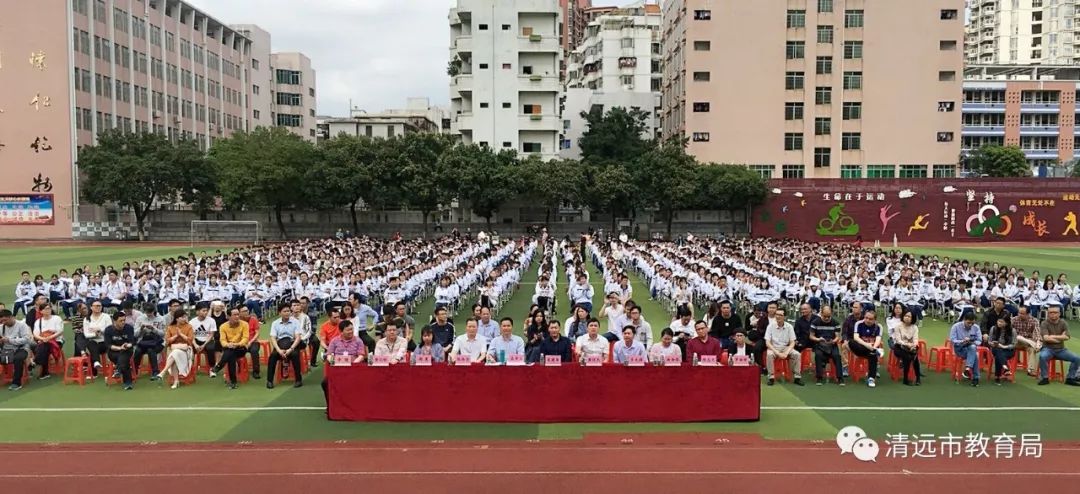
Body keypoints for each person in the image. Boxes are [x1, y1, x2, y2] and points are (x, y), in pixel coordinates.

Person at [322, 319, 366, 410]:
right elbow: (329, 354)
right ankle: (330, 405)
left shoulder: (358, 341)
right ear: (341, 331)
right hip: (338, 369)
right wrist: (332, 361)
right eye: (348, 330)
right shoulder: (334, 341)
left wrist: (353, 364)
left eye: (352, 329)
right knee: (325, 383)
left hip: (353, 369)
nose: (351, 332)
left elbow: (361, 355)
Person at [1036, 306, 1080, 386]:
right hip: (1048, 348)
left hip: (1061, 349)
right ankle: (1045, 378)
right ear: (1048, 314)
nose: (1053, 314)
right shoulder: (1044, 323)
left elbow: (1067, 337)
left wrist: (1052, 336)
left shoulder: (1063, 323)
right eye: (1050, 312)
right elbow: (1046, 338)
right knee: (1042, 356)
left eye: (1055, 312)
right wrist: (1060, 338)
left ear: (1059, 313)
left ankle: (1070, 378)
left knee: (1077, 358)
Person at [267, 304, 303, 389]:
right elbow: (273, 338)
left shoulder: (295, 322)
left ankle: (298, 380)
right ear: (280, 313)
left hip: (292, 344)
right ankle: (269, 381)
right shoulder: (275, 323)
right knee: (272, 356)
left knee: (294, 355)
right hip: (280, 345)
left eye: (288, 311)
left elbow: (298, 338)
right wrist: (279, 350)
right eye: (285, 311)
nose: (287, 313)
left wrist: (290, 349)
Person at [764, 308, 803, 386]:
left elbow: (792, 342)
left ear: (785, 317)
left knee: (797, 354)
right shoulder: (770, 326)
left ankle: (797, 377)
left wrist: (786, 352)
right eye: (776, 314)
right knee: (769, 355)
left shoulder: (789, 327)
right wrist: (777, 353)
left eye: (780, 315)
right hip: (774, 347)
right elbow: (767, 343)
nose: (778, 317)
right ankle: (771, 377)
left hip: (786, 347)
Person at [213, 308, 250, 389]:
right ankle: (233, 382)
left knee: (230, 353)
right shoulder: (223, 326)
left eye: (238, 314)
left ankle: (219, 365)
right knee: (231, 356)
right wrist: (228, 345)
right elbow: (222, 340)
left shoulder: (245, 324)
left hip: (241, 347)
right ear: (228, 316)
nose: (237, 316)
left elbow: (245, 338)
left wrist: (237, 344)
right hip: (229, 347)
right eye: (235, 315)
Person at [159, 310, 195, 389]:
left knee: (175, 353)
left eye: (185, 317)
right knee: (175, 354)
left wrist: (181, 334)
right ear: (177, 319)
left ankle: (164, 372)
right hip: (173, 350)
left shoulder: (189, 327)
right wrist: (176, 336)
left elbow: (190, 341)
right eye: (182, 317)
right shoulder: (170, 327)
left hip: (186, 350)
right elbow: (167, 341)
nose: (185, 319)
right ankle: (176, 381)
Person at [810, 306, 844, 386]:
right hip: (819, 344)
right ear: (821, 314)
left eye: (828, 316)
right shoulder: (815, 322)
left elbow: (837, 337)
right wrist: (818, 339)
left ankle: (840, 378)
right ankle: (819, 377)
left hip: (832, 345)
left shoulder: (836, 323)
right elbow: (811, 336)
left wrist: (833, 341)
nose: (827, 318)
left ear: (831, 314)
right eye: (825, 316)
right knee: (818, 355)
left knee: (837, 356)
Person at [850, 310, 883, 388]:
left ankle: (871, 378)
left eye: (870, 319)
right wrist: (867, 345)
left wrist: (873, 347)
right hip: (860, 349)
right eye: (866, 318)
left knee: (872, 355)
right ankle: (875, 351)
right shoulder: (859, 324)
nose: (868, 320)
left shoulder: (878, 326)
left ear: (875, 320)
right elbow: (856, 337)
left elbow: (878, 339)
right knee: (851, 342)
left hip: (872, 349)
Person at [0, 310, 31, 391]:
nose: (4, 322)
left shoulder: (22, 325)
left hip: (21, 348)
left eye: (5, 320)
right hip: (6, 349)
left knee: (18, 359)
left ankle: (16, 383)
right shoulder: (1, 327)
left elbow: (26, 339)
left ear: (11, 317)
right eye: (2, 321)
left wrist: (10, 340)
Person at [30, 303, 63, 380]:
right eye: (45, 309)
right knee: (44, 346)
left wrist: (49, 337)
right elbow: (35, 334)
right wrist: (42, 339)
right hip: (43, 341)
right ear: (41, 311)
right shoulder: (38, 321)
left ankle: (35, 362)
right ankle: (44, 371)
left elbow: (60, 331)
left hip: (56, 341)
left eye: (49, 308)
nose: (48, 310)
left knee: (44, 346)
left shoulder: (57, 318)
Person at [104, 312, 136, 390]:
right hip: (113, 352)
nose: (123, 322)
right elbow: (108, 345)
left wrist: (128, 345)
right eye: (120, 321)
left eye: (124, 320)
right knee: (123, 360)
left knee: (123, 358)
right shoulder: (108, 330)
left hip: (127, 350)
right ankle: (127, 382)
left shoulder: (129, 328)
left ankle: (118, 370)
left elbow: (132, 342)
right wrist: (119, 348)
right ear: (114, 321)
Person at [949, 311, 983, 387]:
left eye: (972, 323)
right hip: (959, 348)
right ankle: (975, 376)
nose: (970, 325)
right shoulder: (956, 326)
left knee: (973, 348)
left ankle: (968, 369)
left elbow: (979, 341)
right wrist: (962, 341)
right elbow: (952, 340)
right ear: (964, 319)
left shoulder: (976, 327)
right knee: (975, 355)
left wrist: (973, 342)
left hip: (971, 347)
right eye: (968, 323)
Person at [132, 303, 165, 379]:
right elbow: (135, 334)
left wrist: (154, 329)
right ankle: (134, 371)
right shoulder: (140, 318)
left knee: (151, 350)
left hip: (157, 342)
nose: (149, 314)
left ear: (154, 311)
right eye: (147, 313)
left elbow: (163, 334)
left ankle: (155, 372)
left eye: (150, 313)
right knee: (138, 351)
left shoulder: (161, 319)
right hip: (143, 342)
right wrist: (141, 328)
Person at [82, 300, 112, 377]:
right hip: (93, 342)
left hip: (104, 342)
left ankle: (95, 367)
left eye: (99, 306)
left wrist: (100, 330)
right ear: (91, 307)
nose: (98, 307)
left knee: (93, 348)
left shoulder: (106, 316)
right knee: (91, 344)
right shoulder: (87, 319)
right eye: (96, 306)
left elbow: (109, 330)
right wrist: (95, 334)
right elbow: (86, 334)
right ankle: (96, 362)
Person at [892, 310, 922, 386]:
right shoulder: (898, 326)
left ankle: (918, 378)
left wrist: (913, 345)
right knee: (908, 357)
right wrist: (906, 344)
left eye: (909, 316)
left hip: (911, 347)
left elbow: (915, 339)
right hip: (899, 347)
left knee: (915, 357)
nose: (907, 318)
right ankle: (905, 379)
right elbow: (898, 340)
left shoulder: (914, 327)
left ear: (913, 318)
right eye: (905, 316)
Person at [190, 302, 218, 374]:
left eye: (207, 310)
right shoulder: (192, 322)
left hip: (208, 340)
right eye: (203, 310)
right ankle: (189, 367)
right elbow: (191, 336)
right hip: (196, 340)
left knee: (210, 348)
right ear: (197, 312)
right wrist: (195, 345)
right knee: (188, 348)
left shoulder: (211, 320)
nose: (206, 312)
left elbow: (211, 335)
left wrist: (204, 345)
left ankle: (212, 368)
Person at [1012, 306, 1041, 377]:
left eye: (1022, 313)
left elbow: (1037, 333)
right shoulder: (1014, 320)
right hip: (1016, 342)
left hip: (1027, 344)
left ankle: (1030, 370)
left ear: (1028, 314)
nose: (1019, 315)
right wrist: (1037, 344)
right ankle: (1034, 345)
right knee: (1018, 337)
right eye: (1019, 313)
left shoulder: (1034, 320)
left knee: (1032, 349)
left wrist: (1038, 341)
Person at [987, 315, 1016, 385]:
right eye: (998, 321)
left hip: (1008, 350)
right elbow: (989, 341)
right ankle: (1005, 368)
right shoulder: (993, 328)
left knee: (998, 355)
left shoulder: (1012, 331)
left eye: (1002, 322)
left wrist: (1003, 346)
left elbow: (1014, 344)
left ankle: (997, 376)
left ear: (1007, 323)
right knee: (998, 351)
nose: (999, 323)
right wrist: (992, 343)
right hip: (995, 348)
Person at [239, 306, 262, 380]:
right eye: (244, 311)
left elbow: (257, 333)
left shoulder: (253, 320)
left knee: (254, 351)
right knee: (235, 351)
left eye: (247, 310)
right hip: (241, 342)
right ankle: (240, 368)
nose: (246, 312)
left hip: (253, 342)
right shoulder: (237, 321)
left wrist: (250, 342)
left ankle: (256, 371)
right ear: (239, 313)